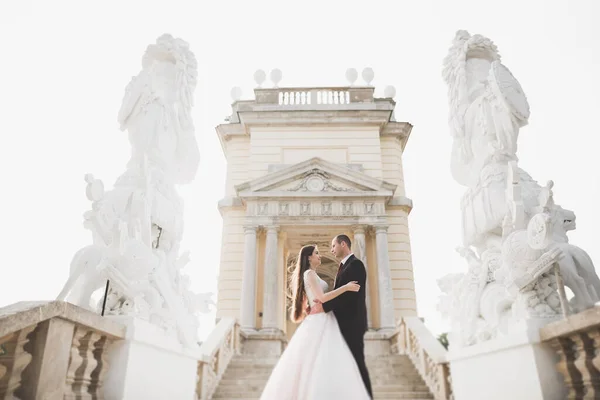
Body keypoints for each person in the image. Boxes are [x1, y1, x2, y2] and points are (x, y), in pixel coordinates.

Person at [259, 244, 371, 400]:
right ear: (309, 257)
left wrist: (310, 305)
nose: (320, 255)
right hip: (320, 320)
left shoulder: (311, 275)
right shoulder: (310, 274)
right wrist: (346, 287)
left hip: (323, 318)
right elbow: (323, 298)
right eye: (316, 253)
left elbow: (313, 299)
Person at [310, 234, 373, 397]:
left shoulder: (356, 265)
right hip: (342, 323)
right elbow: (340, 294)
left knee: (357, 362)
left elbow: (350, 296)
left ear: (343, 244)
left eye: (333, 246)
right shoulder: (344, 266)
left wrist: (325, 307)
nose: (331, 249)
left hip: (352, 323)